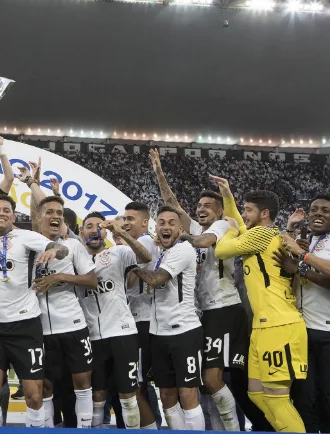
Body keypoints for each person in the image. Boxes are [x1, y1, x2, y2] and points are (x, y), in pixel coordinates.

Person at [149, 149, 245, 431]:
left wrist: (182, 235)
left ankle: (233, 429)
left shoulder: (224, 224)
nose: (200, 209)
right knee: (205, 383)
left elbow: (202, 241)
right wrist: (159, 174)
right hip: (205, 313)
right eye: (199, 205)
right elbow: (172, 206)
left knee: (214, 380)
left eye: (207, 205)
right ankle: (218, 427)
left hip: (225, 308)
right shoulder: (192, 226)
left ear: (218, 211)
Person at [212, 176, 307, 433]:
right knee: (256, 393)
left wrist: (229, 228)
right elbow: (241, 224)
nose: (243, 214)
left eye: (248, 210)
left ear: (264, 214)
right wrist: (227, 194)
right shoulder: (259, 235)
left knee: (277, 398)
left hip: (280, 325)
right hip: (262, 327)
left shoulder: (264, 235)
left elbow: (222, 249)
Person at [0, 194, 69, 428]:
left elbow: (60, 248)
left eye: (7, 210)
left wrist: (53, 252)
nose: (2, 213)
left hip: (25, 326)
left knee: (34, 396)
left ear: (13, 216)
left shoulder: (26, 237)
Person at [78, 211, 152, 429]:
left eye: (98, 226)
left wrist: (120, 232)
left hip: (122, 332)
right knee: (97, 396)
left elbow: (146, 257)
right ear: (81, 232)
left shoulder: (119, 252)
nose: (94, 230)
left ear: (105, 231)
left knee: (128, 394)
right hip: (92, 337)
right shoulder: (75, 259)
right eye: (89, 226)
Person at [133, 205, 205, 431]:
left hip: (184, 332)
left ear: (181, 229)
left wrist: (131, 266)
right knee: (166, 394)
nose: (166, 226)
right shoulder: (160, 253)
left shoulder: (184, 250)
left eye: (171, 223)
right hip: (158, 333)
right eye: (161, 222)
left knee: (187, 392)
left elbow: (155, 280)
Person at [276, 195, 330, 433]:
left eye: (326, 210)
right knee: (304, 398)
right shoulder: (303, 242)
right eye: (314, 209)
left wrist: (302, 264)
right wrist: (291, 231)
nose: (318, 214)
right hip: (300, 331)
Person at [32, 197, 98, 428]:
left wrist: (59, 276)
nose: (56, 216)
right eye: (49, 212)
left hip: (73, 324)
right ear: (39, 218)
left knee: (82, 381)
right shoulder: (28, 246)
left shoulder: (73, 246)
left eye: (59, 213)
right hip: (40, 327)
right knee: (46, 386)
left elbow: (91, 279)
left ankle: (84, 429)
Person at [122, 201, 163, 429]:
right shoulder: (140, 242)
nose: (126, 223)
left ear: (145, 222)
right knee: (141, 381)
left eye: (130, 219)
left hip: (142, 319)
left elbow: (131, 279)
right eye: (124, 219)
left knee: (139, 382)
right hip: (145, 318)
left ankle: (151, 427)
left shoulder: (144, 241)